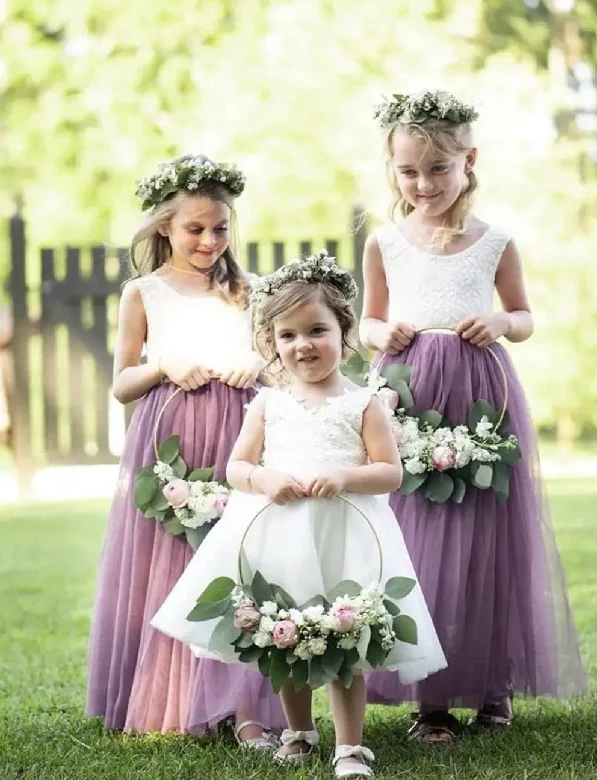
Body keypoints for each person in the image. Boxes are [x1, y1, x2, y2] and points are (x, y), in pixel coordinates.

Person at [151, 254, 447, 778]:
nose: (303, 345)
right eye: (288, 336)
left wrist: (343, 476)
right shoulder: (268, 402)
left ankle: (351, 747)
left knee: (344, 634)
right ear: (272, 343)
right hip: (279, 530)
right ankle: (298, 730)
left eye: (317, 330)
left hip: (345, 532)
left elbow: (390, 473)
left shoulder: (364, 403)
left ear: (344, 331)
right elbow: (237, 466)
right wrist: (263, 479)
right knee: (283, 631)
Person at [361, 90, 586, 743]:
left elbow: (523, 315)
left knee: (485, 544)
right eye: (408, 171)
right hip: (406, 393)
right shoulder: (383, 242)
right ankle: (425, 698)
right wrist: (383, 332)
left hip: (478, 395)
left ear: (469, 161)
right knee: (416, 542)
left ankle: (492, 687)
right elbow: (365, 322)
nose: (423, 183)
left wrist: (497, 320)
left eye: (438, 168)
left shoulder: (494, 241)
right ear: (391, 168)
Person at [86, 154, 284, 747]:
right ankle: (172, 699)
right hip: (169, 438)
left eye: (219, 228)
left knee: (241, 561)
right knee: (169, 564)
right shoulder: (143, 293)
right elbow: (121, 382)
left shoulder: (249, 292)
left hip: (238, 435)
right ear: (164, 229)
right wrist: (161, 365)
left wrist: (259, 362)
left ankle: (246, 708)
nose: (208, 240)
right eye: (194, 228)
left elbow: (285, 365)